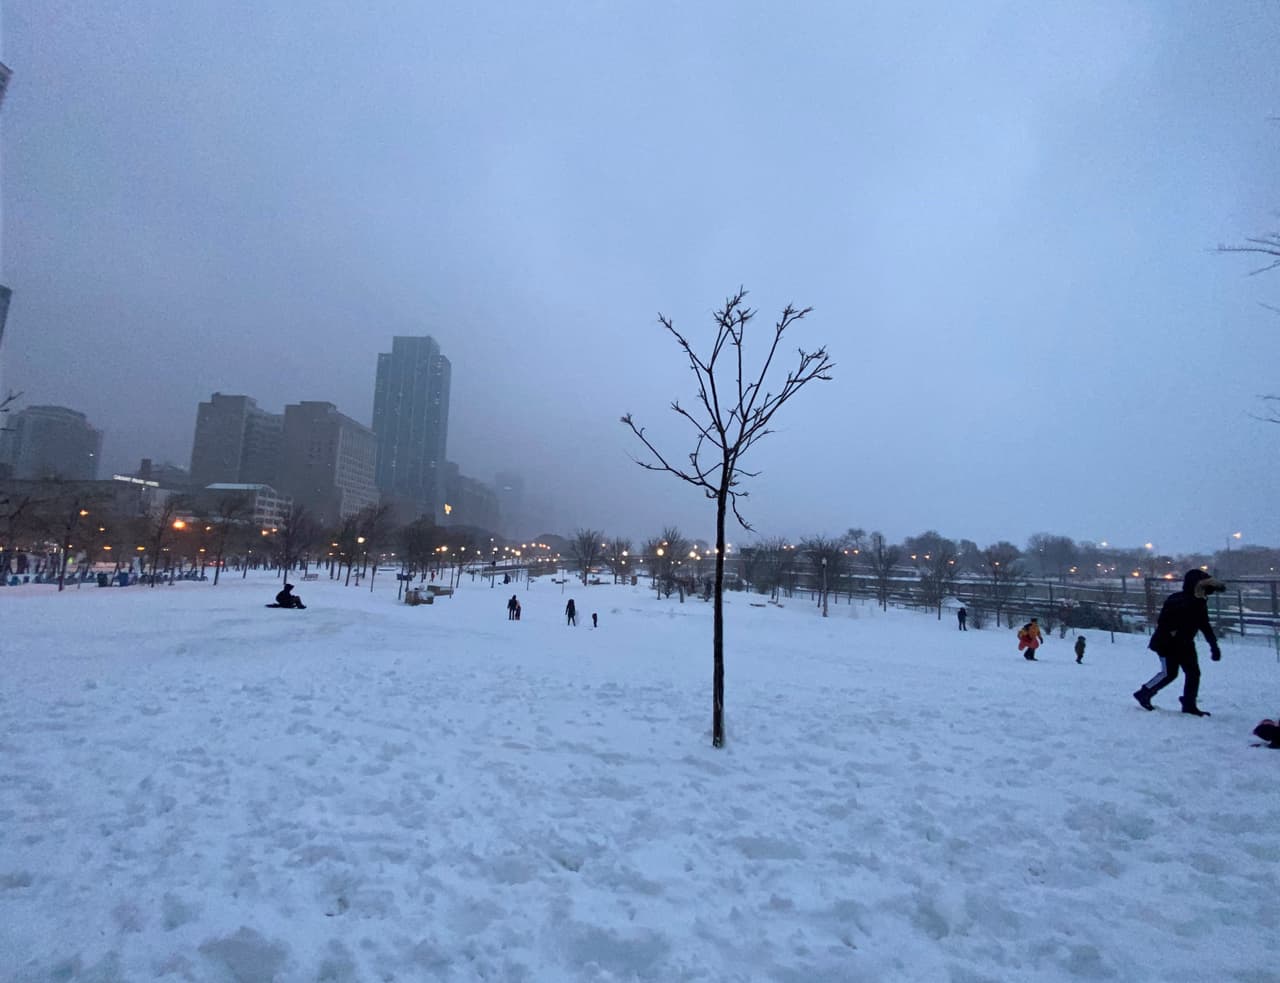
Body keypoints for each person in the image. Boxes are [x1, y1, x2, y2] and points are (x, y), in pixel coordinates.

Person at [1133, 569, 1224, 715]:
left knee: (1189, 673)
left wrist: (1214, 646)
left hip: (1183, 643)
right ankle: (1146, 693)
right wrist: (1175, 633)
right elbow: (1164, 622)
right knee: (1172, 673)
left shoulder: (1197, 602)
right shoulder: (1181, 601)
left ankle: (1186, 703)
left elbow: (1204, 625)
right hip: (1168, 643)